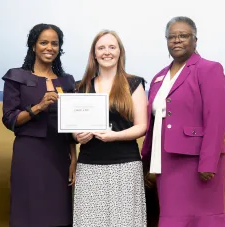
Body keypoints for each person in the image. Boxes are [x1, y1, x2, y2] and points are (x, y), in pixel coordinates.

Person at [141, 16, 225, 227]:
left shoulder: (209, 69)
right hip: (166, 161)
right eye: (172, 37)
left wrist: (208, 162)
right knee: (172, 219)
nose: (177, 40)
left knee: (204, 219)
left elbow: (216, 118)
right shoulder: (158, 77)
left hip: (198, 162)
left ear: (195, 39)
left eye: (183, 36)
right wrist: (145, 160)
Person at [2, 23, 76, 227]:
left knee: (59, 213)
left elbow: (71, 124)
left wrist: (73, 158)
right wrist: (39, 107)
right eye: (43, 42)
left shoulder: (68, 82)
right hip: (30, 154)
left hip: (60, 154)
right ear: (33, 46)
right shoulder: (16, 76)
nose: (49, 47)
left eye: (54, 43)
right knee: (29, 214)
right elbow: (10, 119)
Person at [73, 30, 148, 227]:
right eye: (101, 48)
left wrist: (114, 136)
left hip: (125, 165)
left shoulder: (133, 83)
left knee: (125, 222)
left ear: (120, 52)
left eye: (112, 47)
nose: (107, 52)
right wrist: (78, 135)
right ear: (94, 54)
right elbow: (73, 127)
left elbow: (142, 126)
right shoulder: (81, 87)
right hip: (89, 166)